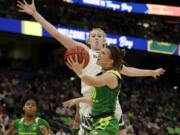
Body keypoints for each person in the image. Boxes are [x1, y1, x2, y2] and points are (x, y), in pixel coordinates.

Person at [16, 1, 165, 135]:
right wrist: (35, 14)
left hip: (109, 103)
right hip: (89, 102)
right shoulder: (83, 51)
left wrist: (150, 72)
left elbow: (129, 70)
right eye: (93, 35)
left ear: (105, 41)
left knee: (121, 132)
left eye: (99, 36)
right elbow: (56, 33)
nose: (96, 37)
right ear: (88, 40)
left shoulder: (111, 61)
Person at [64, 45, 125, 135]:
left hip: (106, 123)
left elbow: (92, 81)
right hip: (97, 122)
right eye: (100, 52)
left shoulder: (112, 75)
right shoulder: (102, 75)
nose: (99, 54)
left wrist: (80, 72)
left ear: (111, 61)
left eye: (103, 53)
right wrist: (78, 100)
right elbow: (96, 99)